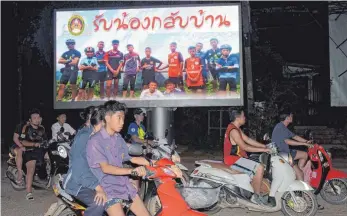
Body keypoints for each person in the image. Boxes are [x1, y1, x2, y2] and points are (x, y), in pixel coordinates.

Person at [86, 100, 154, 216]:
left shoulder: (118, 138)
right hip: (107, 188)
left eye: (123, 118)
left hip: (124, 184)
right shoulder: (95, 141)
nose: (122, 122)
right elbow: (106, 168)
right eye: (119, 118)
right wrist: (132, 171)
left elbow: (131, 159)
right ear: (107, 118)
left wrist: (155, 163)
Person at [63, 106, 107, 216]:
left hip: (90, 178)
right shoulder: (85, 136)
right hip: (76, 182)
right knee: (99, 203)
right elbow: (80, 169)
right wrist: (98, 187)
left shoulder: (97, 136)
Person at [223, 109, 272, 206]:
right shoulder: (233, 131)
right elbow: (245, 147)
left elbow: (248, 139)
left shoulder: (235, 128)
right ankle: (255, 196)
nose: (245, 118)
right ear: (238, 118)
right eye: (243, 116)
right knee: (259, 168)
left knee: (259, 163)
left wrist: (264, 146)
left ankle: (253, 189)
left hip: (239, 158)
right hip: (233, 159)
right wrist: (264, 150)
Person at [271, 112, 313, 181]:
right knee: (300, 173)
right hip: (282, 155)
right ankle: (299, 187)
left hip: (286, 151)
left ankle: (298, 172)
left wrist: (306, 141)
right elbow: (288, 141)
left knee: (305, 154)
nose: (292, 117)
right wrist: (303, 144)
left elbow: (295, 136)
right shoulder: (280, 127)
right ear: (287, 118)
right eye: (291, 116)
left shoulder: (283, 126)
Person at [18, 109, 47, 200]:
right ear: (30, 120)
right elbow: (22, 141)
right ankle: (29, 192)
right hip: (29, 151)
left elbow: (45, 139)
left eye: (38, 117)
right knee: (31, 169)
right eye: (34, 118)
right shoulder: (26, 128)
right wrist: (34, 144)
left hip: (40, 150)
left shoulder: (42, 128)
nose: (37, 119)